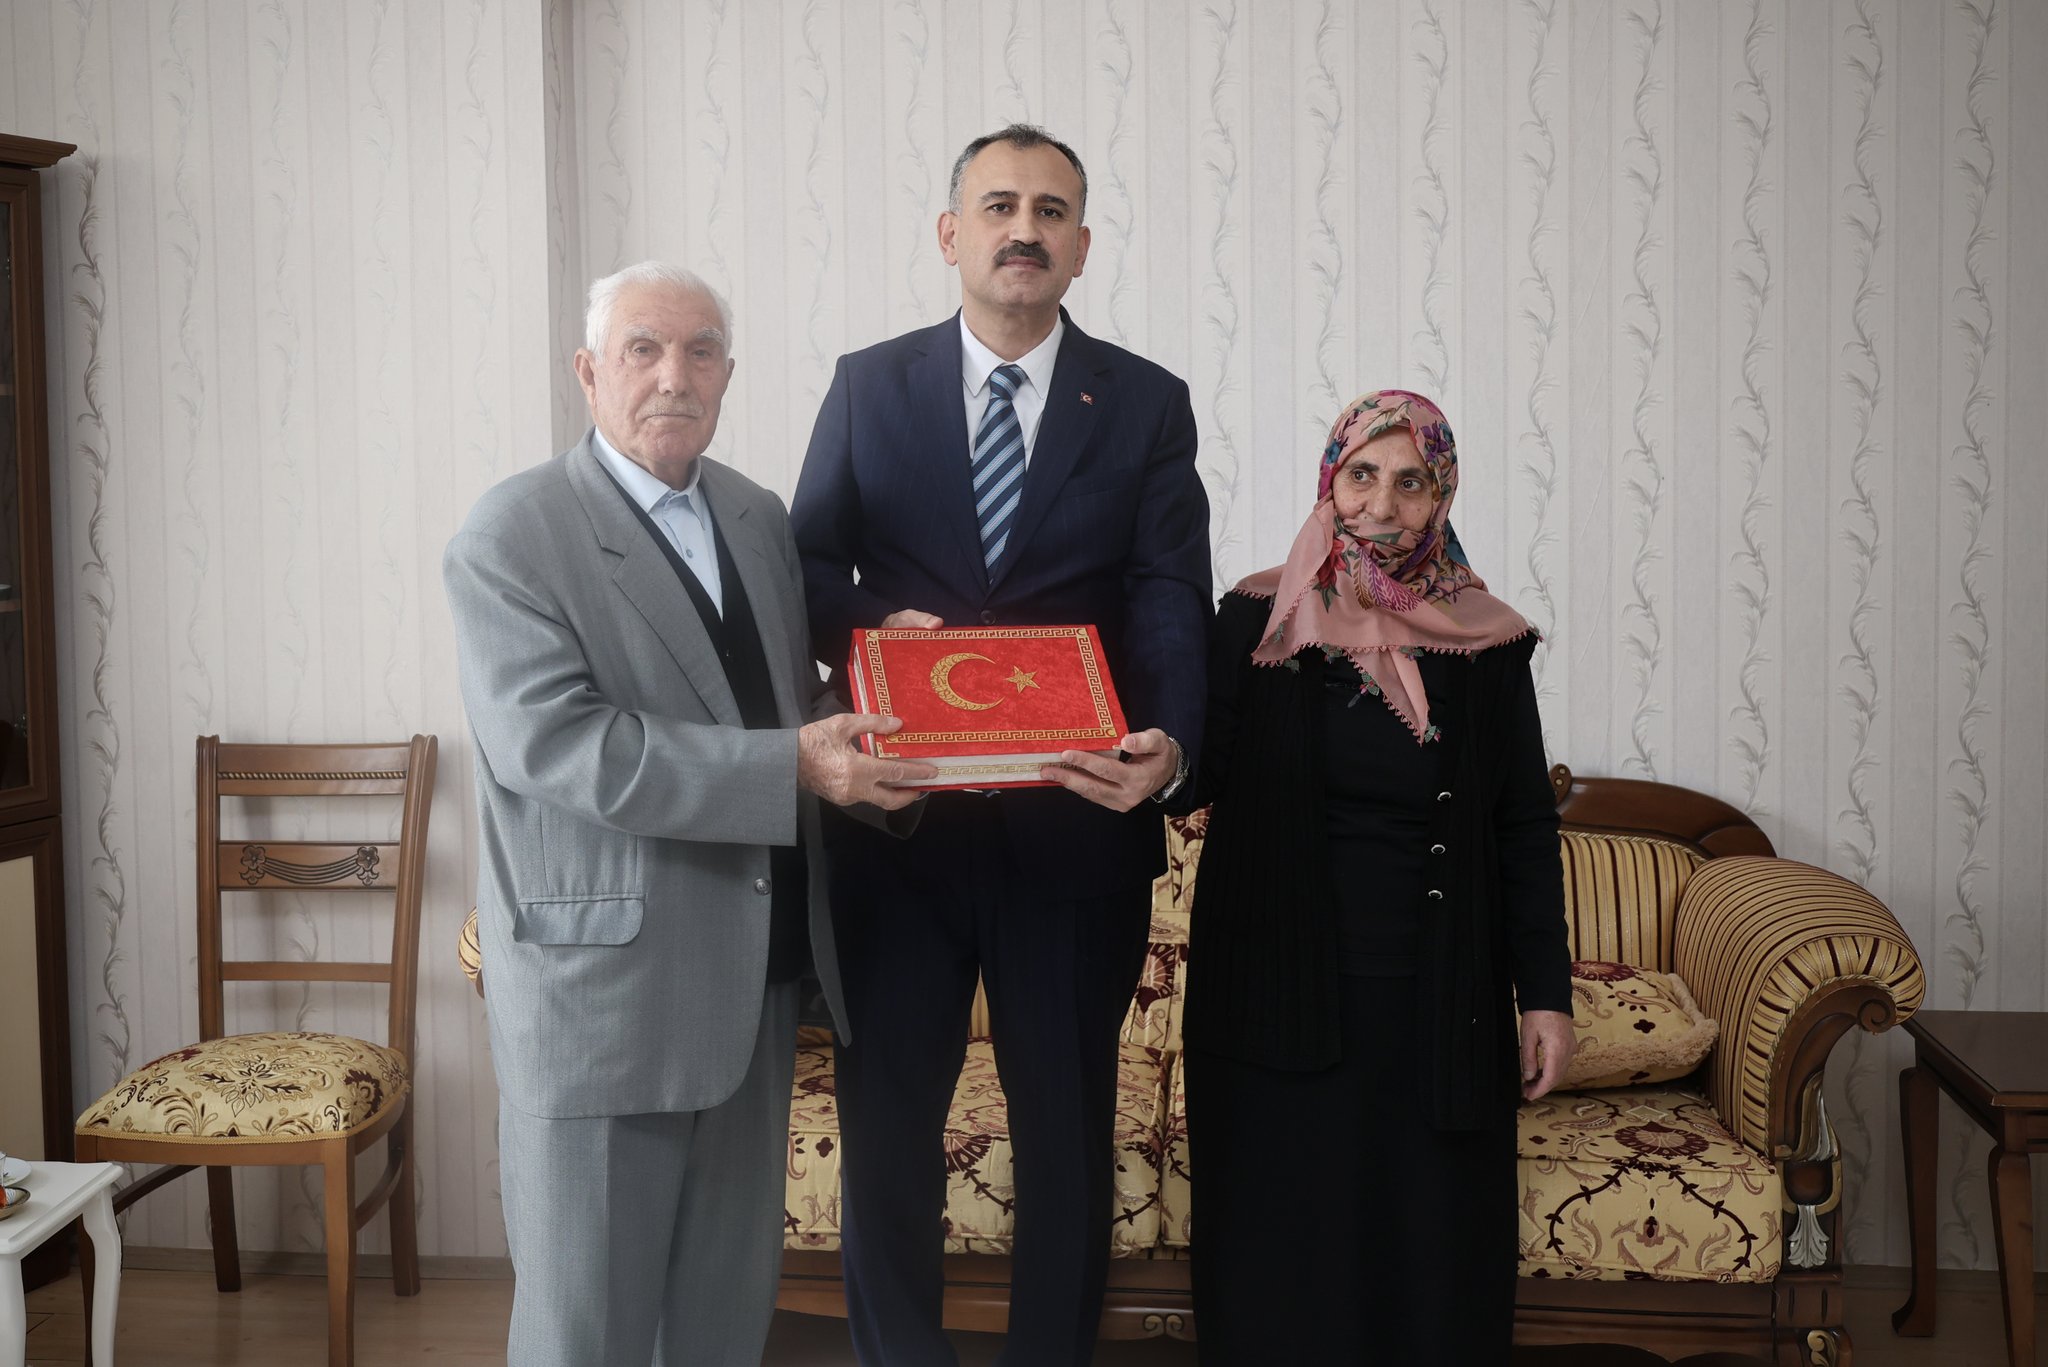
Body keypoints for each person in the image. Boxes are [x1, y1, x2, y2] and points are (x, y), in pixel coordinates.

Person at [443, 261, 932, 1367]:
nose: (675, 374)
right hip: (605, 1002)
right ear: (587, 372)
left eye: (700, 350)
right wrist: (797, 764)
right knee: (585, 1335)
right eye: (644, 349)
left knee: (719, 1326)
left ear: (727, 373)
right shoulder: (512, 532)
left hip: (754, 984)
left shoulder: (755, 516)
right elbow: (560, 746)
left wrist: (894, 704)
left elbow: (774, 711)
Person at [790, 124, 1211, 1365]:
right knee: (887, 1134)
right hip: (895, 832)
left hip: (1073, 833)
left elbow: (1167, 590)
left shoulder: (1144, 401)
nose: (1023, 228)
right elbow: (804, 567)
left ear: (1080, 246)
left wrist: (1173, 746)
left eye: (1050, 210)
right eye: (998, 205)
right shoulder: (867, 385)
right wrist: (871, 626)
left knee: (1066, 1141)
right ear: (950, 233)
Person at [1179, 390, 1574, 1364]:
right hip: (1272, 984)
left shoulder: (1486, 641)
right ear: (1330, 481)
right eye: (1361, 475)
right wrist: (1141, 750)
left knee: (1428, 1252)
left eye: (1410, 482)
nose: (1381, 505)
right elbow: (1196, 769)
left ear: (1441, 494)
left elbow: (1522, 823)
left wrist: (1545, 995)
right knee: (1283, 1248)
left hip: (1437, 994)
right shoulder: (1255, 619)